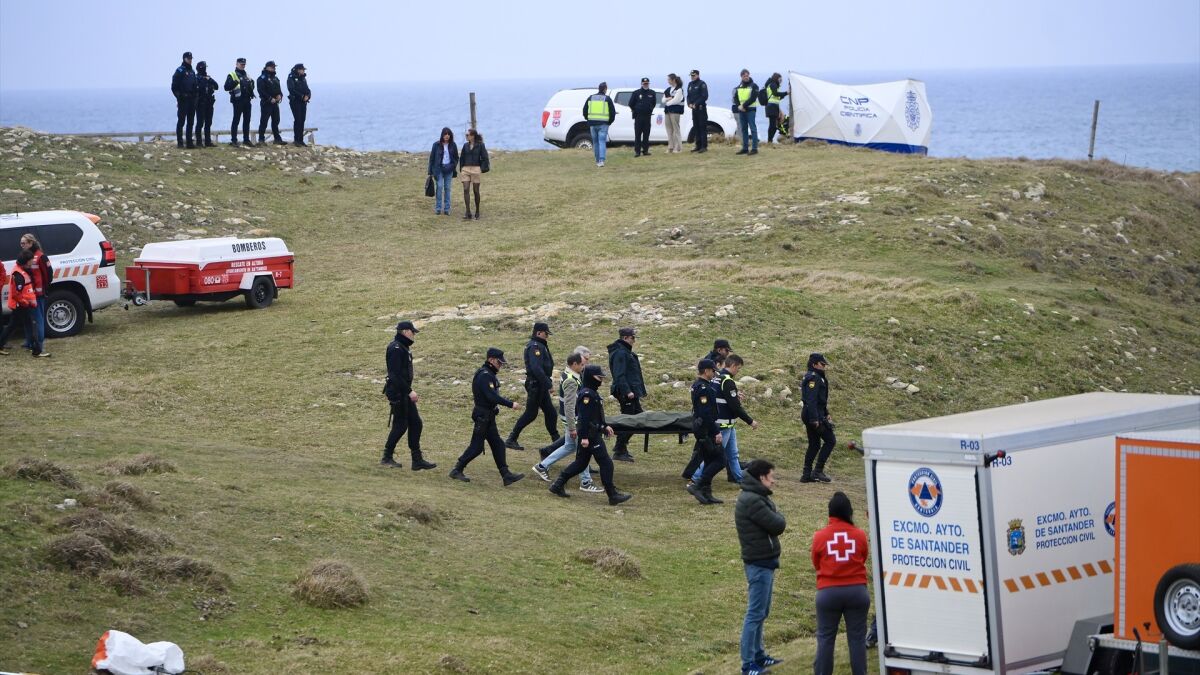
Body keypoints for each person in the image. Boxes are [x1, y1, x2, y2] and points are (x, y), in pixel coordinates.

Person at [547, 365, 633, 506]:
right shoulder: (587, 395)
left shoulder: (591, 393)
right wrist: (585, 437)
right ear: (590, 377)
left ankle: (558, 484)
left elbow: (595, 416)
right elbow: (584, 419)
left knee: (581, 463)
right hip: (591, 436)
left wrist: (604, 426)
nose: (601, 381)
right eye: (599, 378)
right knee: (606, 463)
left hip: (592, 433)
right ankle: (612, 495)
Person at [735, 459, 787, 675]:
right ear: (762, 477)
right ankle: (748, 665)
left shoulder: (756, 497)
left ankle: (758, 655)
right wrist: (778, 514)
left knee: (761, 611)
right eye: (771, 476)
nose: (773, 481)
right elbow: (778, 524)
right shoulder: (753, 500)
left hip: (763, 561)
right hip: (759, 563)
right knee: (755, 613)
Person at [811, 492, 870, 675]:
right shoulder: (860, 535)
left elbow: (816, 563)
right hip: (857, 592)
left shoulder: (820, 536)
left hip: (828, 593)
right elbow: (863, 557)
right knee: (857, 639)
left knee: (825, 639)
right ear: (849, 512)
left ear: (830, 512)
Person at [449, 348, 525, 485]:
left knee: (498, 444)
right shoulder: (485, 375)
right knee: (476, 447)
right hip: (483, 416)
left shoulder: (488, 374)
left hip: (488, 416)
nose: (500, 365)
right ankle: (457, 469)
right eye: (499, 362)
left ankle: (506, 475)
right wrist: (510, 404)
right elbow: (491, 396)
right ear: (491, 360)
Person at [532, 350, 603, 493]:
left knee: (569, 446)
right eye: (582, 364)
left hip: (569, 420)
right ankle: (586, 482)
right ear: (574, 364)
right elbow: (570, 406)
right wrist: (572, 427)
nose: (583, 367)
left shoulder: (568, 375)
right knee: (583, 452)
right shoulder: (571, 380)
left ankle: (542, 466)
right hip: (574, 421)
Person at [692, 353, 758, 485]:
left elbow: (719, 396)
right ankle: (696, 477)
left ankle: (740, 478)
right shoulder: (727, 381)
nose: (738, 371)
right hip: (723, 425)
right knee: (714, 455)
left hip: (728, 424)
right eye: (738, 368)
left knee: (733, 454)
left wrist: (734, 395)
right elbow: (735, 407)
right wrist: (750, 421)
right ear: (733, 366)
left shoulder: (716, 378)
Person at [381, 320, 437, 471]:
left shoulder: (403, 347)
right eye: (412, 332)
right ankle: (387, 457)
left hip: (403, 391)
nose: (414, 335)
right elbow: (394, 375)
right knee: (400, 426)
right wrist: (409, 391)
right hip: (398, 393)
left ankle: (417, 460)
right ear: (405, 332)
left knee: (416, 423)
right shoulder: (396, 348)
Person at [506, 322, 558, 450]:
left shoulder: (540, 345)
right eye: (546, 334)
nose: (547, 336)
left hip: (540, 385)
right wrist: (548, 384)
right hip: (536, 385)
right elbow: (536, 368)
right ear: (539, 333)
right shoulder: (535, 347)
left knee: (551, 413)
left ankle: (556, 441)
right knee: (531, 414)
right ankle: (511, 439)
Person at [685, 359, 725, 505]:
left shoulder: (699, 385)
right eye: (713, 371)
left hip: (703, 427)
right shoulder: (703, 388)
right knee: (721, 460)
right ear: (706, 370)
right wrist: (716, 431)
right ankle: (698, 485)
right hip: (706, 429)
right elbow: (705, 413)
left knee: (709, 460)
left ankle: (706, 493)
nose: (714, 373)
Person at [606, 327, 645, 462]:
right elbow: (619, 375)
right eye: (632, 338)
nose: (634, 340)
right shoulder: (620, 353)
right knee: (630, 421)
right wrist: (627, 391)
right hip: (626, 393)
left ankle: (620, 447)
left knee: (637, 418)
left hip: (631, 392)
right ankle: (619, 449)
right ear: (625, 338)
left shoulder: (625, 352)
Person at [0, 250, 47, 357]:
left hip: (19, 304)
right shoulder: (19, 274)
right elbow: (16, 294)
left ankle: (1, 344)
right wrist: (25, 303)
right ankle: (37, 351)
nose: (32, 262)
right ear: (26, 261)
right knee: (32, 324)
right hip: (21, 305)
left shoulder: (20, 270)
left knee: (13, 326)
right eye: (31, 260)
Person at [801, 353, 835, 483]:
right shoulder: (814, 378)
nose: (824, 367)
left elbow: (820, 400)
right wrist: (815, 419)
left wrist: (826, 412)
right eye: (822, 364)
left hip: (814, 413)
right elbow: (812, 400)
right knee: (830, 440)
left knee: (814, 444)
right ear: (814, 364)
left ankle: (806, 474)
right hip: (813, 414)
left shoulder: (815, 376)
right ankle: (817, 471)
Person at [17, 234, 51, 354]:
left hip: (37, 294)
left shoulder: (40, 256)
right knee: (27, 319)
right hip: (27, 293)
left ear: (31, 243)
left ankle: (39, 344)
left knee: (38, 319)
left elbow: (48, 274)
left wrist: (44, 289)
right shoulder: (25, 256)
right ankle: (29, 342)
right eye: (21, 243)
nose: (22, 245)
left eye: (24, 243)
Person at [583, 82, 617, 167]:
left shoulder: (590, 98)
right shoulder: (607, 99)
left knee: (595, 142)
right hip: (603, 124)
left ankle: (597, 160)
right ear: (605, 89)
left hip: (592, 123)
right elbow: (612, 112)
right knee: (602, 142)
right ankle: (601, 161)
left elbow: (584, 111)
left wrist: (588, 119)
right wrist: (609, 122)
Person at [458, 128, 489, 220]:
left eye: (468, 135)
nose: (466, 136)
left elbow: (485, 157)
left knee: (476, 191)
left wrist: (481, 169)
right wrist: (461, 168)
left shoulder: (480, 145)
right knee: (466, 189)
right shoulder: (465, 145)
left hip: (476, 169)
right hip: (465, 169)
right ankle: (468, 212)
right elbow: (462, 157)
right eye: (466, 135)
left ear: (473, 136)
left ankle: (477, 211)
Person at [224, 58, 255, 147]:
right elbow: (226, 87)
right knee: (236, 120)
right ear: (237, 64)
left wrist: (252, 85)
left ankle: (246, 140)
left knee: (247, 120)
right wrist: (235, 82)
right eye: (241, 64)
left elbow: (251, 86)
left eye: (244, 64)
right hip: (238, 101)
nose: (243, 66)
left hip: (247, 100)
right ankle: (234, 140)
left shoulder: (247, 75)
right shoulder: (232, 75)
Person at [427, 127, 458, 216]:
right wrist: (430, 171)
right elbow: (432, 158)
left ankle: (447, 209)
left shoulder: (453, 145)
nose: (447, 136)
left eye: (448, 134)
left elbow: (456, 158)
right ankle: (438, 208)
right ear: (442, 135)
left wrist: (453, 166)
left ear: (450, 135)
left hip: (449, 169)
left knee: (447, 188)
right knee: (439, 187)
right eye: (445, 134)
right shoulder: (436, 145)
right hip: (438, 169)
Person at [171, 51, 198, 149]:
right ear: (184, 59)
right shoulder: (180, 70)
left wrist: (195, 98)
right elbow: (174, 87)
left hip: (191, 100)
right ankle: (180, 143)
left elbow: (195, 86)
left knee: (190, 122)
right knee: (181, 121)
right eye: (188, 59)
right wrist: (179, 97)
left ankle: (189, 142)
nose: (190, 60)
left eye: (191, 59)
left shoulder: (192, 71)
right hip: (183, 100)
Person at [256, 61, 287, 145]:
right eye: (272, 67)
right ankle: (261, 139)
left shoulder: (275, 78)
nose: (274, 68)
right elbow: (261, 91)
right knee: (264, 122)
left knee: (276, 121)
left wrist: (280, 95)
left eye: (274, 67)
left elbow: (279, 90)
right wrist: (270, 98)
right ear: (267, 67)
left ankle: (277, 139)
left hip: (275, 103)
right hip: (266, 103)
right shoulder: (262, 78)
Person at [629, 77, 657, 157]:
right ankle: (637, 151)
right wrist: (636, 110)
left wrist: (650, 109)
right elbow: (630, 103)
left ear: (649, 84)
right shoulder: (636, 93)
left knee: (646, 134)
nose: (646, 85)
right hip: (638, 117)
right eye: (644, 83)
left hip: (647, 117)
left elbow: (654, 103)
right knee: (638, 134)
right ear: (641, 84)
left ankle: (645, 150)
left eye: (647, 83)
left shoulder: (652, 93)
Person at [734, 69, 760, 155]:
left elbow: (753, 98)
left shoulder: (754, 86)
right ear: (741, 77)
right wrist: (739, 106)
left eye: (747, 75)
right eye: (744, 76)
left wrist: (743, 106)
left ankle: (754, 148)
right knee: (744, 129)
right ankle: (745, 148)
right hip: (742, 111)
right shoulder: (739, 86)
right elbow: (735, 97)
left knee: (753, 129)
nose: (746, 77)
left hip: (750, 110)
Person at [195, 61, 218, 148]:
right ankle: (199, 142)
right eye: (203, 68)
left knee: (208, 123)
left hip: (209, 103)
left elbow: (216, 86)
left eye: (205, 68)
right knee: (200, 123)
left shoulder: (208, 78)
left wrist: (209, 79)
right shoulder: (196, 78)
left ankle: (208, 141)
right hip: (200, 103)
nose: (205, 69)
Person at [287, 63, 311, 147]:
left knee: (302, 120)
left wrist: (308, 96)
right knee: (298, 120)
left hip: (303, 102)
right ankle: (296, 140)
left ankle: (301, 140)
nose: (303, 71)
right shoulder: (291, 78)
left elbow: (307, 89)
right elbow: (291, 89)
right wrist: (302, 96)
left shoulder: (303, 78)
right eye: (302, 69)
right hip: (295, 102)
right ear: (298, 70)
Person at [687, 70, 709, 153]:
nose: (692, 77)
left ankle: (704, 146)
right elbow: (688, 96)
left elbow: (704, 96)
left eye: (694, 75)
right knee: (696, 127)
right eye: (691, 75)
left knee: (702, 127)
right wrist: (689, 103)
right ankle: (698, 145)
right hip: (694, 109)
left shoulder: (702, 84)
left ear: (698, 75)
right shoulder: (690, 84)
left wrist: (696, 103)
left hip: (701, 108)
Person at [763, 73, 788, 143]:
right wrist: (786, 93)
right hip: (772, 107)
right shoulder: (773, 84)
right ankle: (769, 140)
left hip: (773, 106)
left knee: (773, 125)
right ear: (776, 78)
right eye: (780, 79)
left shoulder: (774, 85)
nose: (781, 80)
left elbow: (777, 97)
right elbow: (775, 93)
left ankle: (770, 140)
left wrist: (784, 94)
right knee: (773, 125)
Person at [663, 74, 685, 153]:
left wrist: (668, 102)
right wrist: (668, 99)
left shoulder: (679, 90)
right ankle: (670, 147)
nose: (668, 81)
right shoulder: (668, 89)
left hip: (675, 111)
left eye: (669, 79)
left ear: (673, 80)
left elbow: (676, 100)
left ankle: (677, 147)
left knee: (676, 129)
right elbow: (663, 100)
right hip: (667, 111)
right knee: (669, 129)